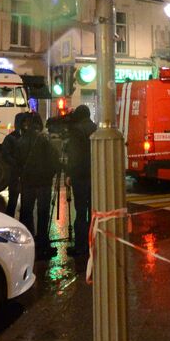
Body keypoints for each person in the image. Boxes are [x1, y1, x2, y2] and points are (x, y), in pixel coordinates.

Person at [16, 113, 60, 258]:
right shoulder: (43, 140)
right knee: (43, 213)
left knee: (27, 212)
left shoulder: (21, 140)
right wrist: (51, 174)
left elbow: (17, 161)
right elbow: (54, 160)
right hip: (43, 183)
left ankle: (28, 243)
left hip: (27, 183)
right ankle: (42, 243)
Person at [64, 106, 96, 257]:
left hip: (80, 177)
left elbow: (74, 155)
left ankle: (80, 246)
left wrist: (69, 173)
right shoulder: (96, 128)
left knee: (81, 211)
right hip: (94, 176)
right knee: (93, 211)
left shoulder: (76, 130)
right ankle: (92, 243)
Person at [2, 111, 31, 219]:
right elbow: (5, 155)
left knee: (26, 203)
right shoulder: (11, 138)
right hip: (15, 175)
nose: (26, 125)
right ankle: (10, 222)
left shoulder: (27, 137)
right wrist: (16, 164)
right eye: (24, 122)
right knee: (13, 201)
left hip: (25, 175)